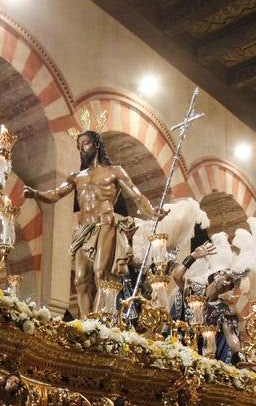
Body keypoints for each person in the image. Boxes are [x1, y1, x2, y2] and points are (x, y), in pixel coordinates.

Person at [24, 129, 161, 318]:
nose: (82, 149)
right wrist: (36, 193)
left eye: (85, 144)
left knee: (100, 273)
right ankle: (87, 323)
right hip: (83, 229)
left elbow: (136, 195)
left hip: (105, 223)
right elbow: (56, 193)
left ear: (97, 144)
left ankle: (99, 320)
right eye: (79, 146)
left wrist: (153, 212)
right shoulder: (76, 177)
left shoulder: (114, 171)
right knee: (80, 280)